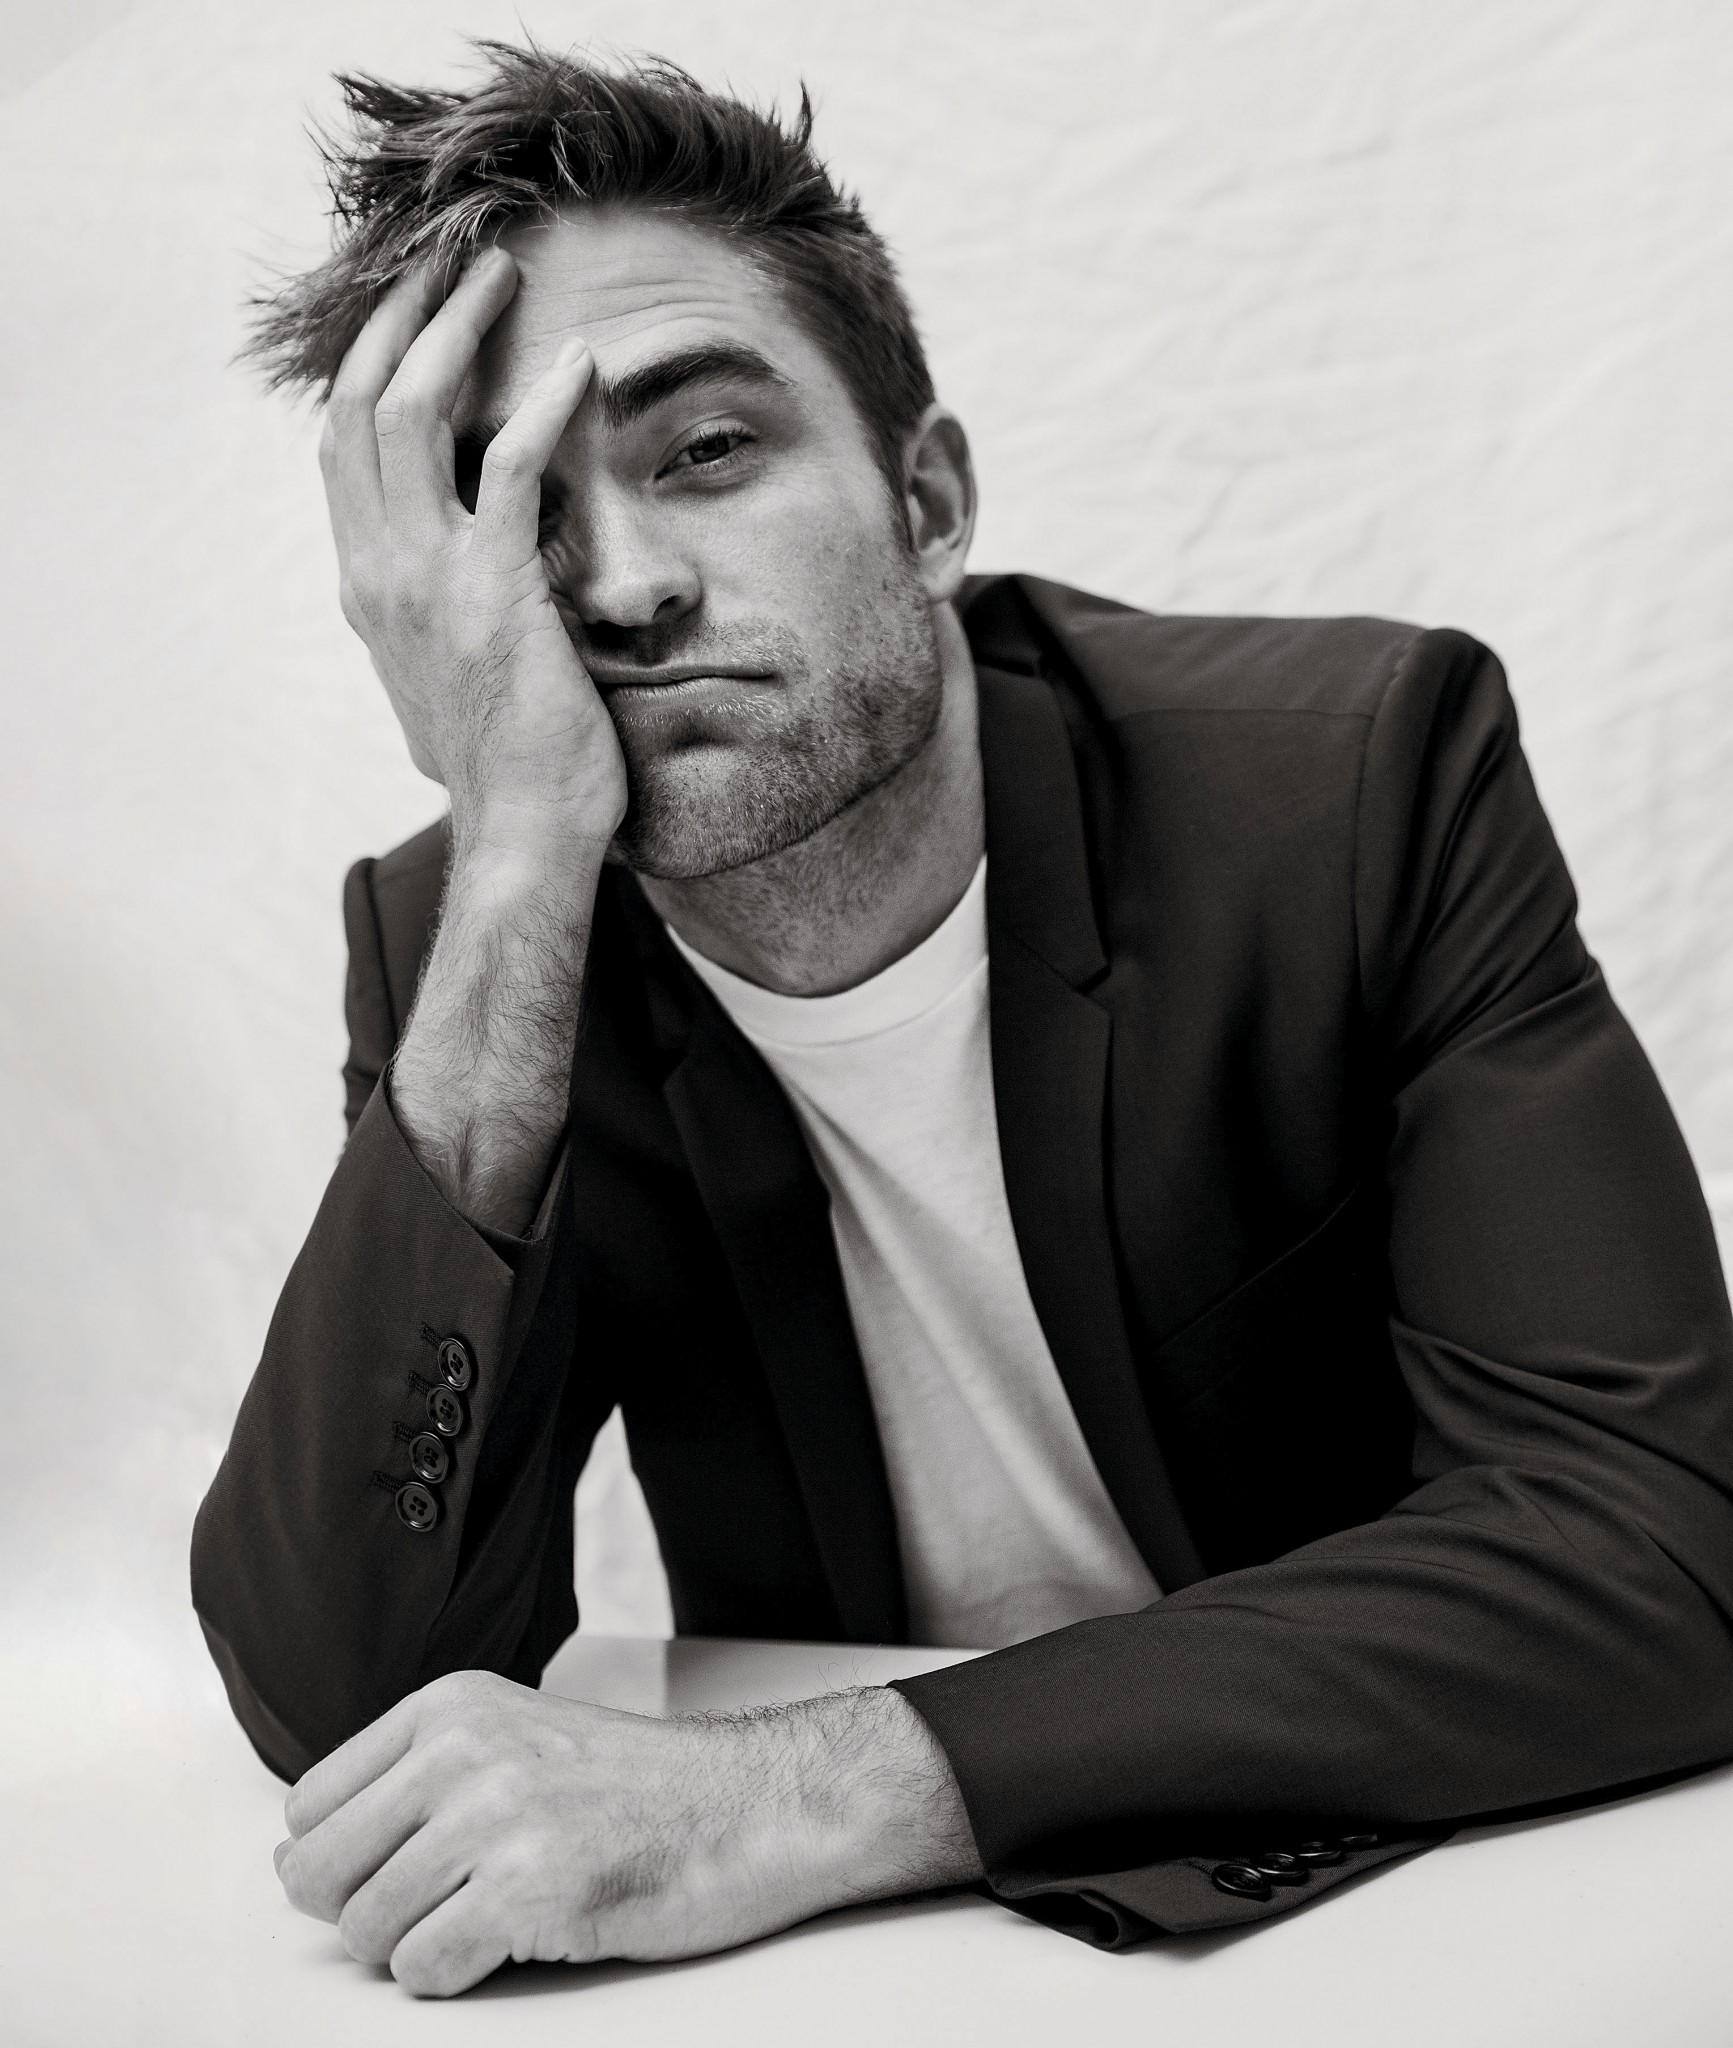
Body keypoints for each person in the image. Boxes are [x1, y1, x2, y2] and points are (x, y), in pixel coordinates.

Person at [191, 42, 1733, 1999]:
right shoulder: (480, 940)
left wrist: (796, 1794)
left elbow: (1654, 1546)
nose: (625, 588)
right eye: (511, 517)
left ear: (926, 501)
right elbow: (348, 1712)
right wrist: (510, 866)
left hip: (1433, 1931)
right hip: (877, 1996)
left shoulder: (1351, 790)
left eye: (706, 450)